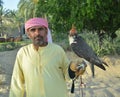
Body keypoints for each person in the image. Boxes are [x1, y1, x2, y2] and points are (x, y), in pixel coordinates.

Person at [9, 17, 86, 97]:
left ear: (46, 31)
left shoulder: (57, 50)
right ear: (28, 34)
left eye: (40, 29)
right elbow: (16, 83)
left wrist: (75, 69)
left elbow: (68, 75)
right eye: (33, 30)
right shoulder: (23, 53)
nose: (37, 33)